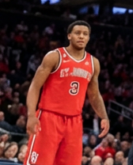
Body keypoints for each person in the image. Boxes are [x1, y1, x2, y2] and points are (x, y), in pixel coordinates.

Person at [24, 20, 109, 165]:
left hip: (74, 122)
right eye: (77, 33)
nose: (81, 36)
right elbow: (34, 86)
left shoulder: (93, 63)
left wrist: (104, 116)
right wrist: (31, 114)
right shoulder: (54, 56)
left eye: (85, 34)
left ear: (89, 38)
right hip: (49, 117)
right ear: (69, 36)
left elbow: (94, 94)